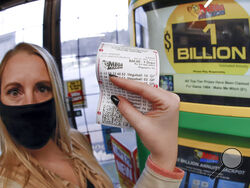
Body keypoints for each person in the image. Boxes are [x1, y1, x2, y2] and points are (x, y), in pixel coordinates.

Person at [0, 42, 184, 188]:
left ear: (55, 93)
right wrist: (162, 162)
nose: (31, 102)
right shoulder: (6, 180)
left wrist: (162, 158)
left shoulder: (76, 142)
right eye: (14, 92)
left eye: (42, 88)